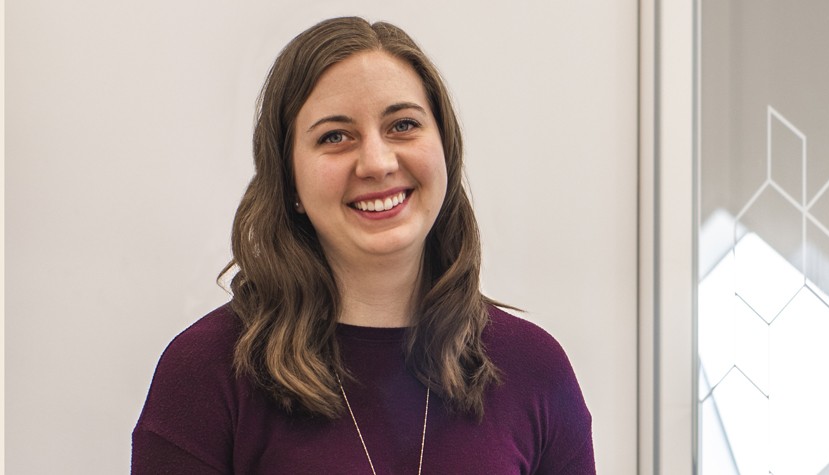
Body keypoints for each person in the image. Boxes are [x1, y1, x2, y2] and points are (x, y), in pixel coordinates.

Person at [132, 16, 595, 474]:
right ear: (289, 181)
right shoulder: (204, 375)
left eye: (403, 125)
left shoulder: (536, 369)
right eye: (335, 136)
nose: (376, 162)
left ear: (446, 151)